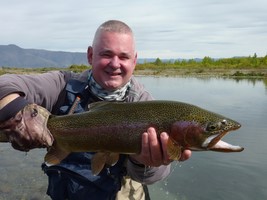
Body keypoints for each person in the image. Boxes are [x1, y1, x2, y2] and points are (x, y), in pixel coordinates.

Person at [0, 20, 191, 200]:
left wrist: (143, 161)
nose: (115, 64)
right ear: (91, 55)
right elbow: (4, 84)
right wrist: (21, 115)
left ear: (134, 61)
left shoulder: (144, 103)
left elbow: (152, 178)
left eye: (124, 57)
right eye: (107, 54)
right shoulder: (61, 84)